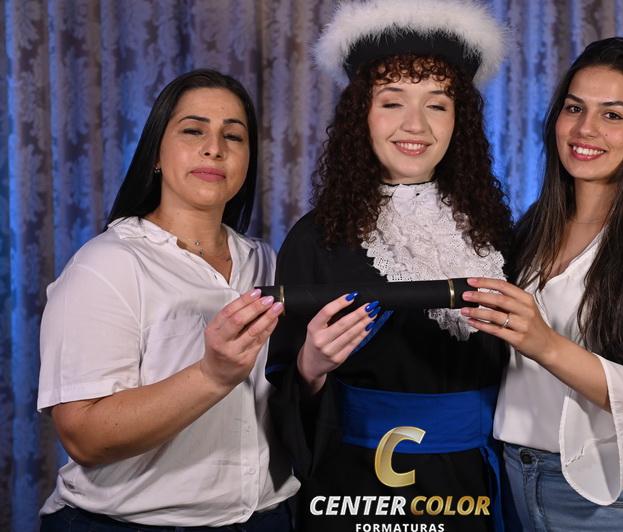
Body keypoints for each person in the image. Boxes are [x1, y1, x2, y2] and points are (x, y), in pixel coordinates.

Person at [265, 1, 513, 530]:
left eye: (437, 104)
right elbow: (278, 389)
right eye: (392, 101)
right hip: (356, 487)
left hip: (475, 484)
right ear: (362, 115)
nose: (415, 124)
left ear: (460, 120)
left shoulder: (495, 234)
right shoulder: (315, 238)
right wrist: (310, 367)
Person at [460, 37, 623, 531]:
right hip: (515, 483)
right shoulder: (531, 231)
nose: (586, 129)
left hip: (621, 501)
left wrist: (546, 344)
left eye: (612, 114)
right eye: (574, 108)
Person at [38, 69, 299, 531]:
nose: (214, 148)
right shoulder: (107, 264)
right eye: (193, 130)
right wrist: (211, 375)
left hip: (267, 519)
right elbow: (83, 437)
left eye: (233, 136)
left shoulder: (267, 261)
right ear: (156, 153)